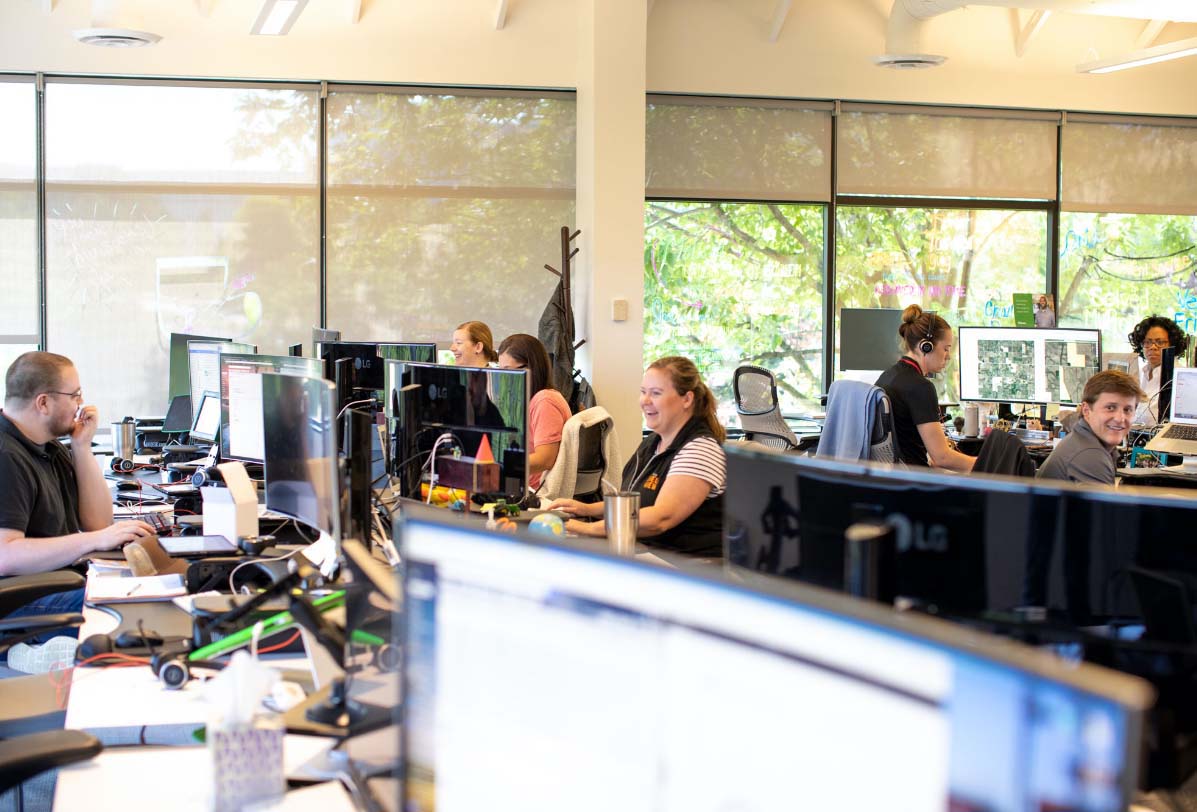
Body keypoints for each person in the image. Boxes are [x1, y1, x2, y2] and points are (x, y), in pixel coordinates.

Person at [0, 352, 156, 615]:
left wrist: (81, 447)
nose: (81, 404)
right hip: (20, 599)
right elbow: (5, 555)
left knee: (155, 586)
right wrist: (92, 541)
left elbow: (98, 523)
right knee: (142, 606)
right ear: (43, 403)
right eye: (74, 395)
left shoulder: (48, 446)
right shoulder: (6, 457)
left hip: (58, 581)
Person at [549, 356, 725, 557]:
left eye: (656, 393)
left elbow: (660, 519)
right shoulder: (654, 442)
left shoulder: (700, 450)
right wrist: (586, 509)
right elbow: (636, 505)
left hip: (683, 566)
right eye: (643, 392)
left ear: (687, 399)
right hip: (645, 553)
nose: (645, 401)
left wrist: (586, 529)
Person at [875, 304, 975, 472]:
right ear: (925, 346)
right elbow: (942, 458)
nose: (948, 356)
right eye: (946, 349)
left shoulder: (888, 376)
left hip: (894, 477)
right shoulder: (920, 387)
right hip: (917, 480)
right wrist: (984, 464)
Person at [1037, 370, 1143, 486]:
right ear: (1086, 410)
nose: (1120, 418)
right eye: (1110, 408)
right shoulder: (1090, 455)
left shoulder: (1081, 441)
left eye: (1127, 410)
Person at [497, 333, 571, 492]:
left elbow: (545, 459)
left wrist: (500, 466)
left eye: (508, 371)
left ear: (530, 368)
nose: (504, 378)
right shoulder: (530, 399)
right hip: (518, 484)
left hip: (531, 491)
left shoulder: (545, 401)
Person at [1128, 315, 1189, 426]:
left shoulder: (1180, 377)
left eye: (1160, 342)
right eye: (1147, 342)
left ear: (1172, 344)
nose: (1153, 347)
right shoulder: (1144, 371)